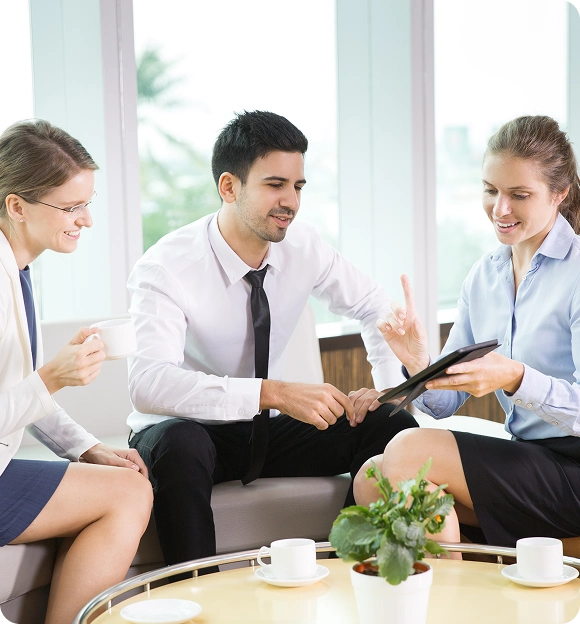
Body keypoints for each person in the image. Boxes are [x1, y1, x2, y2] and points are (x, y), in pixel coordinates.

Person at [126, 110, 418, 568]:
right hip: (185, 434)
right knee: (181, 445)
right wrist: (271, 392)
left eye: (298, 187)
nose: (291, 202)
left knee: (391, 426)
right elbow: (149, 383)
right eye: (274, 185)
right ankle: (196, 595)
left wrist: (385, 390)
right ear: (229, 187)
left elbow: (376, 307)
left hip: (261, 433)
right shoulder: (166, 266)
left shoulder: (304, 247)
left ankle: (353, 569)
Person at [354, 115, 580, 548]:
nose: (500, 209)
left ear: (560, 194)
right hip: (530, 460)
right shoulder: (484, 275)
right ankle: (450, 600)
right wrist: (419, 362)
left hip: (573, 469)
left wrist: (515, 378)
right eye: (491, 190)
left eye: (519, 194)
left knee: (406, 450)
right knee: (371, 480)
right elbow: (442, 406)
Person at [0, 119, 153, 624]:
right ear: (16, 206)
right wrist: (52, 377)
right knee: (130, 494)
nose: (86, 220)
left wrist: (88, 449)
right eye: (71, 207)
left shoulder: (17, 268)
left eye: (87, 204)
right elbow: (30, 390)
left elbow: (16, 390)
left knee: (125, 482)